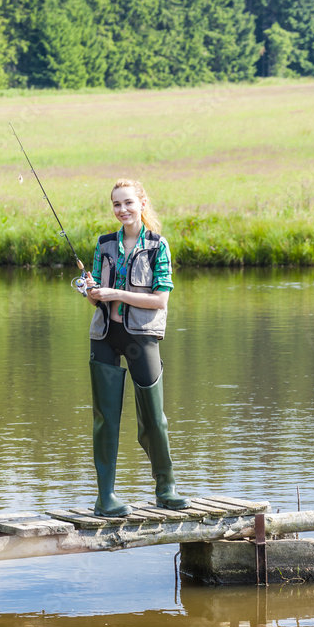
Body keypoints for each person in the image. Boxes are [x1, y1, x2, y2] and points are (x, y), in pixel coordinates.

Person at [85, 178, 189, 517]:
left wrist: (116, 294)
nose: (122, 210)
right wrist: (92, 292)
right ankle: (106, 498)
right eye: (116, 204)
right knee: (105, 419)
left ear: (142, 204)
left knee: (154, 420)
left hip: (141, 337)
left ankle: (166, 489)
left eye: (128, 202)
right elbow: (98, 293)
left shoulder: (158, 246)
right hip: (104, 335)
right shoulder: (104, 245)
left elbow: (160, 299)